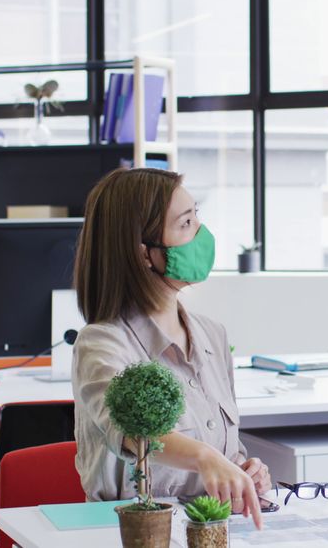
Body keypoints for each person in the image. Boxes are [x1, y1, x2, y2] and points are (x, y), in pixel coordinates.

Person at [71, 168, 270, 528]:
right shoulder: (101, 344)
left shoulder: (213, 335)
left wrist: (242, 472)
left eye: (197, 217)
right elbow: (132, 433)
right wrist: (205, 458)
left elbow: (226, 451)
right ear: (144, 254)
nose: (201, 235)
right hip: (133, 533)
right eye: (186, 223)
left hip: (210, 528)